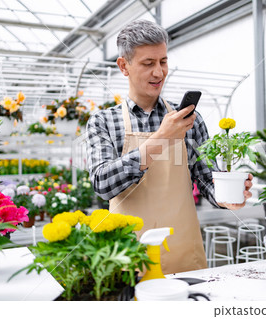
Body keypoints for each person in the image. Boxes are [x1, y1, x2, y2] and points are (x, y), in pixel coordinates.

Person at [86, 19, 253, 274]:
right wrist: (161, 139)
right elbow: (102, 183)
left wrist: (228, 196)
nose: (159, 72)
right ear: (124, 66)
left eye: (163, 61)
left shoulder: (188, 120)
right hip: (126, 256)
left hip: (183, 255)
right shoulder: (103, 121)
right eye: (148, 63)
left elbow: (206, 178)